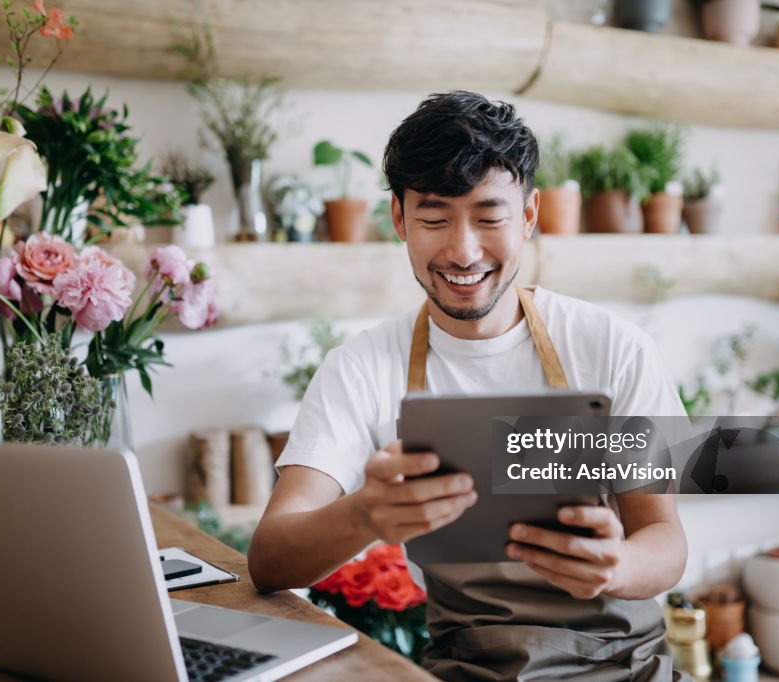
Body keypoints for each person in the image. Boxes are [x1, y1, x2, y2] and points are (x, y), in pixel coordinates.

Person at [248, 91, 690, 681]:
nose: (463, 251)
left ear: (529, 216)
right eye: (434, 219)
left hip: (625, 667)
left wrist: (616, 565)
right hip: (470, 669)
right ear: (399, 220)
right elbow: (269, 558)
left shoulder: (613, 347)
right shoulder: (360, 369)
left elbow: (664, 539)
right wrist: (365, 514)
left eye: (489, 217)